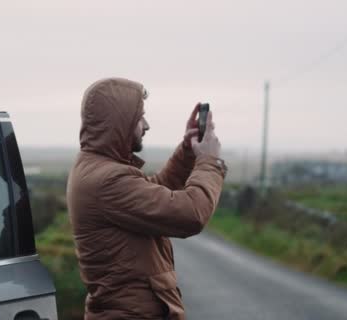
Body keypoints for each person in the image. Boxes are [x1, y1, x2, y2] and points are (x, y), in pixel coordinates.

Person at [66, 77, 227, 320]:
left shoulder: (97, 169)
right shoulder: (107, 181)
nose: (147, 124)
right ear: (120, 122)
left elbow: (153, 194)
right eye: (139, 117)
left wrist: (186, 152)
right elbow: (192, 214)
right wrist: (209, 162)